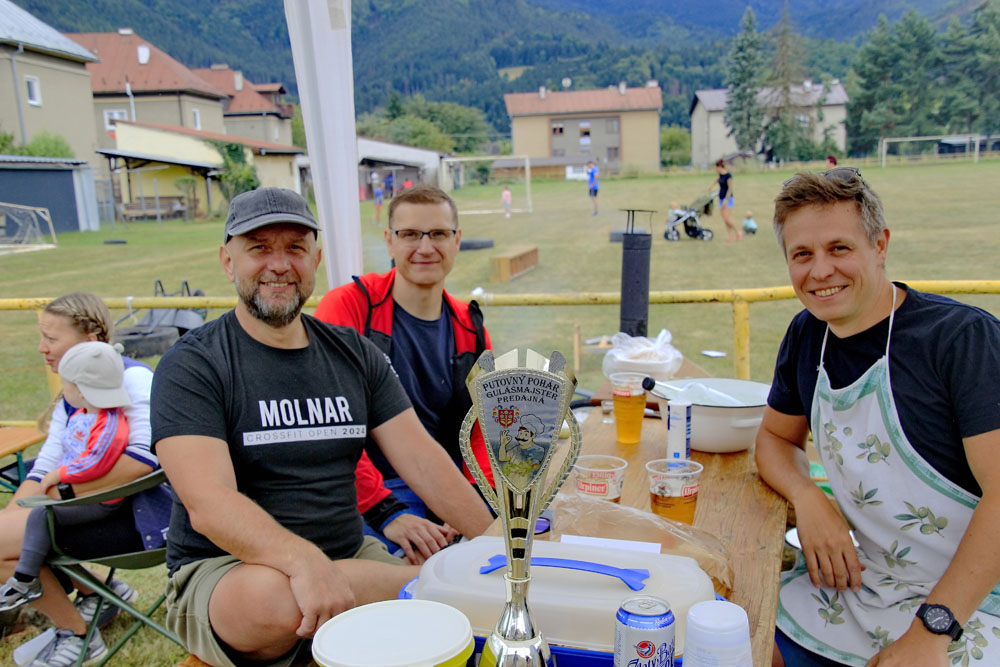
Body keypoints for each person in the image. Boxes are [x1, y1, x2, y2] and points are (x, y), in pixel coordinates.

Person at [150, 187, 493, 667]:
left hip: (349, 553)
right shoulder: (194, 363)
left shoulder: (353, 352)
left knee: (464, 618)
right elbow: (208, 505)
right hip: (230, 571)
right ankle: (419, 589)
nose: (279, 265)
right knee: (280, 601)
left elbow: (424, 461)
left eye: (295, 248)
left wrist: (500, 545)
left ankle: (408, 591)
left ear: (316, 259)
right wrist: (302, 561)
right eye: (259, 248)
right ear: (228, 261)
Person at [755, 168, 1000, 667]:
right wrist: (810, 498)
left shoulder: (961, 340)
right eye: (802, 254)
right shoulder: (808, 334)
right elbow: (775, 439)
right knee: (734, 637)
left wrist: (931, 632)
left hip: (974, 601)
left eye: (839, 248)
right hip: (863, 583)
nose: (820, 271)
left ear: (880, 244)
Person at [314, 184, 494, 546]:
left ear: (457, 240)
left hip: (444, 483)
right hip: (368, 491)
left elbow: (481, 430)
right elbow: (329, 425)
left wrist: (479, 499)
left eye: (438, 234)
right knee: (413, 573)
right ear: (389, 241)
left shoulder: (470, 327)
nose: (425, 248)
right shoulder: (349, 308)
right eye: (410, 234)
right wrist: (385, 511)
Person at [0, 292, 167, 666]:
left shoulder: (132, 378)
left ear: (90, 339)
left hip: (135, 519)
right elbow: (45, 465)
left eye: (51, 338)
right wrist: (14, 514)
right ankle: (102, 594)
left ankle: (79, 636)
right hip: (83, 511)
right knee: (3, 534)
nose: (42, 348)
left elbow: (145, 460)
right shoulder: (74, 389)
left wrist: (64, 491)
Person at [0, 342, 132, 616]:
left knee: (40, 517)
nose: (64, 392)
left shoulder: (108, 423)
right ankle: (95, 589)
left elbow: (95, 461)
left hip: (98, 502)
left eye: (66, 386)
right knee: (33, 521)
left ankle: (25, 579)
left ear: (80, 391)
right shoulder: (88, 416)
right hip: (80, 497)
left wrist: (60, 476)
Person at [709, 159, 739, 241]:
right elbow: (717, 180)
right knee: (725, 219)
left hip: (728, 199)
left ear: (719, 167)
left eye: (715, 168)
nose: (715, 169)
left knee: (726, 218)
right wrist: (711, 186)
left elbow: (730, 188)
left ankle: (738, 231)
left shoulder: (728, 176)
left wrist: (726, 199)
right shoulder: (720, 175)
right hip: (721, 198)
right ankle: (730, 236)